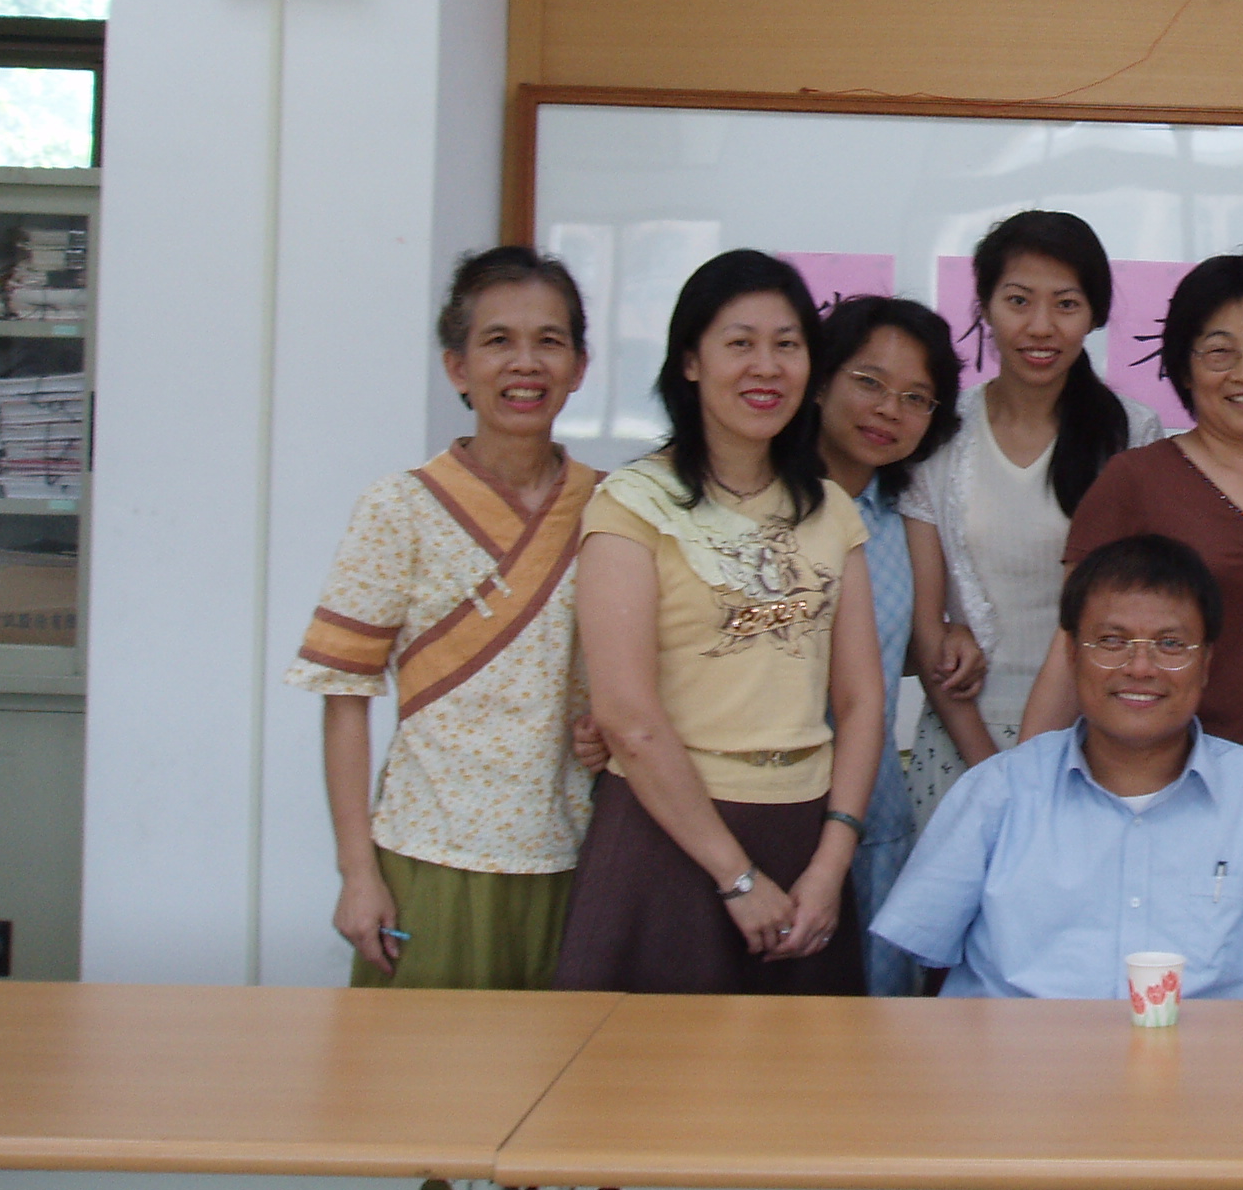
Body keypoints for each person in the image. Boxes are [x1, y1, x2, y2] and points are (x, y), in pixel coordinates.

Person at [553, 249, 881, 994]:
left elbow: (862, 700)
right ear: (691, 362)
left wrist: (831, 864)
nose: (766, 367)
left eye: (787, 345)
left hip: (804, 843)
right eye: (740, 343)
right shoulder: (631, 505)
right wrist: (737, 878)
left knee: (803, 1068)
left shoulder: (831, 510)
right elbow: (626, 716)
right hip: (668, 836)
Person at [286, 245, 599, 988]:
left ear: (579, 366)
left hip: (575, 855)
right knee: (421, 1063)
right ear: (457, 367)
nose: (525, 364)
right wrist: (357, 872)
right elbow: (345, 695)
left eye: (549, 341)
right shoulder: (399, 508)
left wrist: (606, 728)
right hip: (430, 855)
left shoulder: (611, 507)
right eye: (498, 341)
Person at [875, 535, 1243, 1000]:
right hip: (1021, 1045)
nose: (1140, 667)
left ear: (1205, 663)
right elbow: (920, 959)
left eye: (1171, 644)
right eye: (1112, 641)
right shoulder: (999, 790)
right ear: (1072, 655)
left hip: (1207, 1047)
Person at [1025, 250, 1243, 793]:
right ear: (1184, 368)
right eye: (1219, 352)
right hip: (1156, 790)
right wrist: (1028, 790)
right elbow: (1071, 648)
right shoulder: (1134, 480)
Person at [900, 211, 1164, 828]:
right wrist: (994, 771)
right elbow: (927, 627)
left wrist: (1036, 770)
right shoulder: (938, 435)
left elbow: (1135, 611)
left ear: (1094, 315)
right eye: (1018, 300)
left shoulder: (1132, 435)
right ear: (985, 307)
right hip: (961, 742)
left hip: (1093, 744)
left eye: (1066, 304)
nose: (1040, 327)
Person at [815, 295, 963, 996]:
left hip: (873, 815)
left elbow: (895, 644)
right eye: (869, 382)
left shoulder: (905, 519)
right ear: (821, 381)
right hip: (772, 811)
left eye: (915, 398)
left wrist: (952, 638)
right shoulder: (759, 506)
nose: (888, 410)